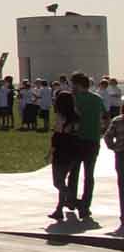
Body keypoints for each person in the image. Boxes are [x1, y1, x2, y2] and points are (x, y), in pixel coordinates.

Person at [68, 71, 105, 220]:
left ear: (77, 85)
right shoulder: (97, 99)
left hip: (77, 139)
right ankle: (85, 206)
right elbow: (104, 116)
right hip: (93, 140)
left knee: (73, 173)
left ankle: (71, 200)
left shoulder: (74, 99)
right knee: (89, 175)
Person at [48, 89, 78, 221]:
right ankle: (59, 209)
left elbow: (57, 136)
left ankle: (72, 199)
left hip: (61, 151)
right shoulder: (76, 116)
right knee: (63, 180)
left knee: (57, 182)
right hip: (73, 150)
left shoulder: (60, 117)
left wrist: (50, 152)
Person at [102, 108, 124, 229]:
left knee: (122, 185)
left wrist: (113, 147)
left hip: (121, 155)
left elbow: (107, 136)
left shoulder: (117, 120)